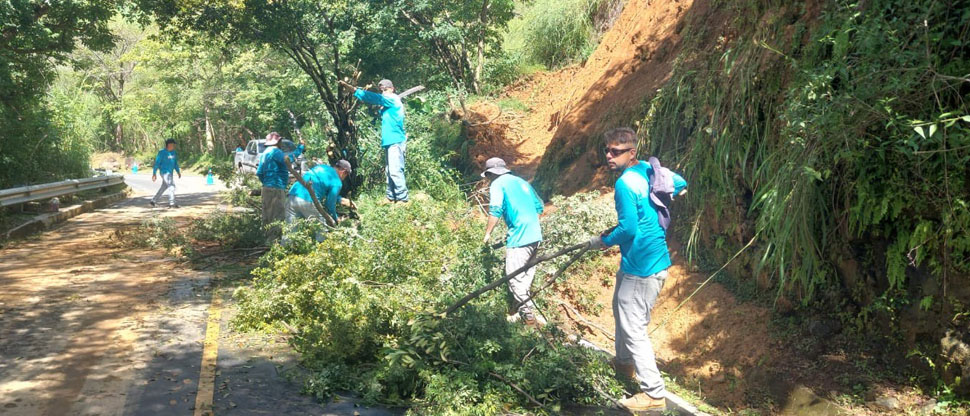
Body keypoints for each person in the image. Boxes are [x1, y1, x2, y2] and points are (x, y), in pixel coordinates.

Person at [588, 127, 687, 412]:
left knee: (634, 328)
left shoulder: (624, 184)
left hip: (642, 267)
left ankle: (653, 394)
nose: (609, 156)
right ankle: (623, 364)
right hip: (644, 262)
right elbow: (680, 181)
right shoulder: (647, 169)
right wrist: (672, 194)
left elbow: (628, 229)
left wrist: (603, 241)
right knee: (621, 312)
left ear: (631, 152)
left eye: (616, 151)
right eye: (607, 150)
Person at [481, 157, 546, 326]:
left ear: (491, 174)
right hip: (535, 235)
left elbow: (495, 210)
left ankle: (528, 315)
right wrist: (528, 223)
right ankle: (524, 311)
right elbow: (539, 206)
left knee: (514, 276)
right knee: (525, 276)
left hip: (519, 238)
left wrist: (487, 234)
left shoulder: (497, 184)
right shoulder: (521, 182)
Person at [345, 79, 408, 203]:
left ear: (392, 89)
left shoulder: (393, 99)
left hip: (395, 141)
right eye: (382, 90)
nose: (384, 92)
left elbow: (375, 98)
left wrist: (355, 91)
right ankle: (391, 196)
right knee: (389, 170)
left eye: (385, 90)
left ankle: (402, 198)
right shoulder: (389, 103)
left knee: (395, 170)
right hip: (389, 141)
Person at [285, 159, 352, 242]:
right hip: (308, 200)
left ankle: (285, 248)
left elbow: (323, 188)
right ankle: (321, 248)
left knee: (290, 231)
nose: (344, 178)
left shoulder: (322, 167)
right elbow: (330, 204)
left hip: (292, 195)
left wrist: (341, 200)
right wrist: (335, 218)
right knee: (321, 231)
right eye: (346, 175)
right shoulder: (337, 182)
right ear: (343, 172)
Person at [256, 132, 304, 241]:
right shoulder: (276, 152)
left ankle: (267, 240)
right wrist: (300, 148)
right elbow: (288, 159)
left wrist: (266, 183)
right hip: (276, 189)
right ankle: (274, 243)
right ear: (278, 141)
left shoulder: (265, 153)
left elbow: (259, 172)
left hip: (266, 189)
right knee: (277, 217)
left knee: (267, 216)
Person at [150, 138, 181, 208]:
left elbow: (175, 163)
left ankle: (153, 201)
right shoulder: (162, 152)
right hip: (164, 172)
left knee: (164, 187)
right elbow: (157, 163)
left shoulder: (173, 152)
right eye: (173, 144)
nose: (174, 146)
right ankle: (172, 203)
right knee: (171, 186)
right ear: (169, 145)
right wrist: (154, 173)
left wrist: (178, 171)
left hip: (170, 173)